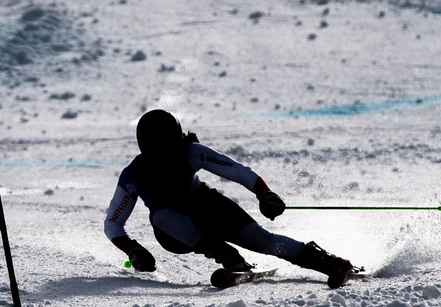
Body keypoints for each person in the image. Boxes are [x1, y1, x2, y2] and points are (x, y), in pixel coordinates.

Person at [104, 109, 356, 289]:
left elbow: (236, 170)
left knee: (262, 240)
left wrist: (263, 192)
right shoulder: (133, 175)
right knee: (161, 215)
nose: (165, 158)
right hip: (175, 235)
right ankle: (225, 253)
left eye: (170, 149)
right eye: (157, 152)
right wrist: (133, 249)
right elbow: (112, 224)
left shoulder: (190, 151)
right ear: (144, 148)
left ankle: (331, 264)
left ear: (178, 141)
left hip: (208, 206)